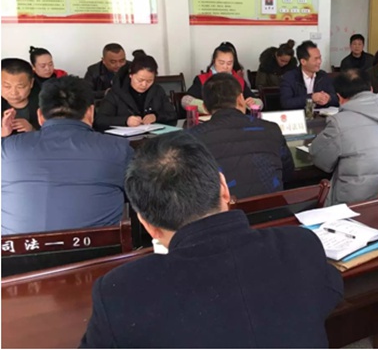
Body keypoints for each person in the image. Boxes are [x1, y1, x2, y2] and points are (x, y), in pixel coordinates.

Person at [79, 132, 343, 348]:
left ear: (147, 225)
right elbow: (327, 293)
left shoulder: (120, 291)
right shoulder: (300, 245)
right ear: (224, 188)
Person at [2, 76, 133, 235]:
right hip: (101, 250)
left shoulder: (7, 150)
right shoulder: (118, 148)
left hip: (19, 249)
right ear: (90, 112)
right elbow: (138, 197)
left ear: (40, 116)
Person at [310, 69, 378, 206]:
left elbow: (320, 159)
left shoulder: (339, 123)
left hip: (355, 205)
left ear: (340, 97)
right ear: (371, 89)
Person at [187, 73, 294, 199]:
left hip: (226, 210)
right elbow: (288, 173)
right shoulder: (271, 129)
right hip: (274, 208)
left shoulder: (194, 137)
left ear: (205, 108)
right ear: (240, 99)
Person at [95, 53, 177, 131]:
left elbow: (172, 114)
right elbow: (100, 120)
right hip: (124, 138)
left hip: (154, 136)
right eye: (140, 80)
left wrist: (156, 116)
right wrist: (125, 121)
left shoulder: (157, 90)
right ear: (131, 75)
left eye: (149, 81)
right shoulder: (116, 91)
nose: (144, 85)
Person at [182, 43, 262, 114]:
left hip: (235, 120)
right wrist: (205, 107)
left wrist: (253, 102)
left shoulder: (239, 81)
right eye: (221, 63)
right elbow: (185, 100)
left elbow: (259, 103)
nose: (225, 67)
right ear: (214, 61)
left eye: (229, 63)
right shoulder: (202, 80)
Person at [280, 40, 339, 109]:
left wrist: (329, 98)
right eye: (316, 59)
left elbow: (337, 98)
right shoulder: (289, 77)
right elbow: (286, 103)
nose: (319, 61)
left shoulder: (323, 75)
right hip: (300, 114)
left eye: (320, 58)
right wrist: (311, 98)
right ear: (303, 61)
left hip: (321, 114)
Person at [1, 58, 40, 137]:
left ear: (31, 83)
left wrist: (32, 130)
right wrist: (3, 132)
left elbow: (54, 136)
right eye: (7, 86)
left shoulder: (46, 103)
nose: (13, 93)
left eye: (20, 87)